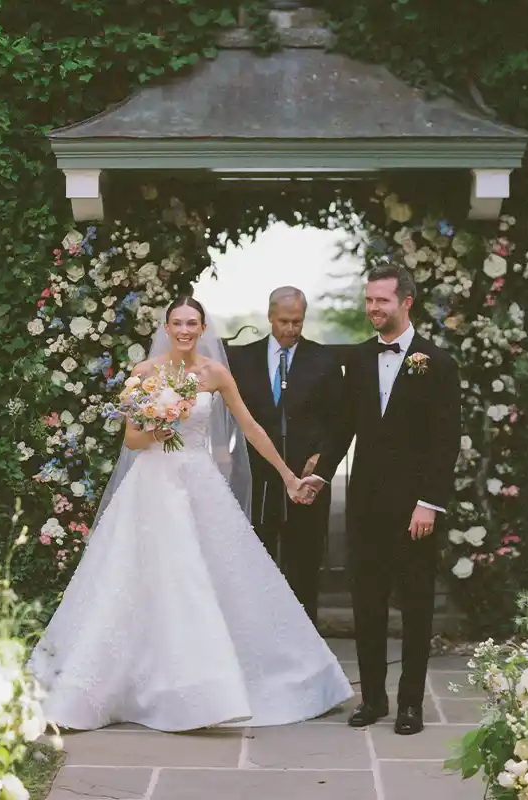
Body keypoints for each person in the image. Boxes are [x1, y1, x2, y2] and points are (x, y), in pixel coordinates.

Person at [28, 296, 353, 732]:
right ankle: (135, 685)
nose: (184, 330)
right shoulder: (145, 373)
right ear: (167, 327)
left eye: (192, 323)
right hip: (152, 487)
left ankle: (216, 688)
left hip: (198, 481)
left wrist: (288, 477)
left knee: (210, 576)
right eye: (177, 323)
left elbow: (251, 428)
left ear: (202, 328)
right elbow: (132, 441)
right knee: (138, 577)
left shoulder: (215, 374)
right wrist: (159, 426)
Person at [297, 263, 461, 736]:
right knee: (366, 604)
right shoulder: (359, 359)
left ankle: (410, 704)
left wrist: (429, 502)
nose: (373, 308)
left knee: (416, 607)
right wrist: (320, 475)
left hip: (414, 510)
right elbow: (343, 426)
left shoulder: (438, 363)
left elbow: (445, 441)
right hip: (366, 505)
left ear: (406, 302)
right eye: (369, 299)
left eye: (382, 300)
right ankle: (372, 699)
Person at [226, 286, 343, 625]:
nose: (291, 329)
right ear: (269, 317)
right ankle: (256, 632)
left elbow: (340, 418)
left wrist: (321, 458)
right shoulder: (242, 359)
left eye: (297, 322)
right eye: (284, 321)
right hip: (255, 476)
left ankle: (304, 638)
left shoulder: (323, 360)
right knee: (254, 561)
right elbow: (227, 415)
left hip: (305, 479)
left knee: (304, 565)